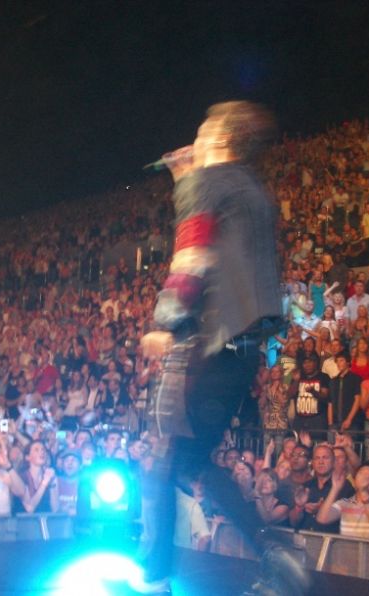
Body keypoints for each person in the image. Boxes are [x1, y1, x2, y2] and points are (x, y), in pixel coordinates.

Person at [140, 101, 303, 595]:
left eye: (203, 131)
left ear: (221, 139)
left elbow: (193, 255)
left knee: (167, 460)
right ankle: (275, 554)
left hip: (212, 345)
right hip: (246, 347)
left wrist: (167, 321)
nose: (196, 139)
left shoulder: (210, 182)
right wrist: (186, 180)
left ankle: (154, 576)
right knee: (190, 459)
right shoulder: (253, 190)